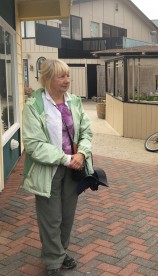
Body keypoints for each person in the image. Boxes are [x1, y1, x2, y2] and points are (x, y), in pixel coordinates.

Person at [22, 59, 93, 276]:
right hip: (49, 169)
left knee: (67, 216)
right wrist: (66, 158)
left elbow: (86, 132)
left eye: (68, 75)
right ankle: (53, 262)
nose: (67, 80)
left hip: (73, 168)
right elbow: (33, 145)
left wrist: (81, 153)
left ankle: (60, 253)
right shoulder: (34, 105)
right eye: (61, 76)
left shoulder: (74, 102)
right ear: (47, 78)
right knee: (51, 218)